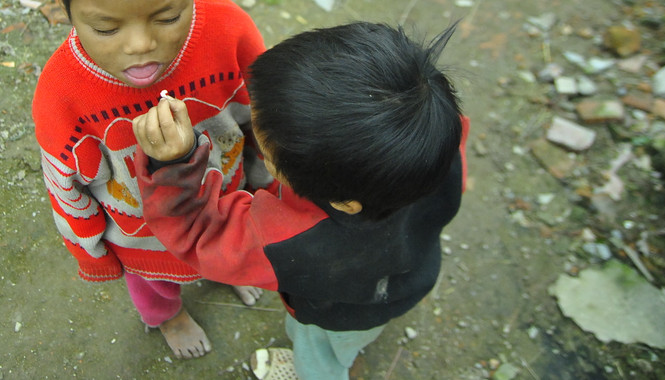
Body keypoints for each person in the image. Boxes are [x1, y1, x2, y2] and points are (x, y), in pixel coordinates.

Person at [131, 21, 470, 379]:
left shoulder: (292, 238)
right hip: (406, 279)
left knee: (320, 353)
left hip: (337, 313)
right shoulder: (436, 141)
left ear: (343, 202)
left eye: (267, 155)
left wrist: (172, 166)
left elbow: (202, 236)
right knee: (356, 337)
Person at [31, 0, 271, 359]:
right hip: (143, 241)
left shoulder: (229, 30)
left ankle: (230, 271)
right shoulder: (61, 95)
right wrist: (92, 254)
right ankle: (168, 315)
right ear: (67, 9)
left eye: (167, 17)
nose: (141, 46)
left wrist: (268, 187)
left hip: (227, 204)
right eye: (106, 27)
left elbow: (266, 118)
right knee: (155, 284)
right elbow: (65, 189)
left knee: (232, 249)